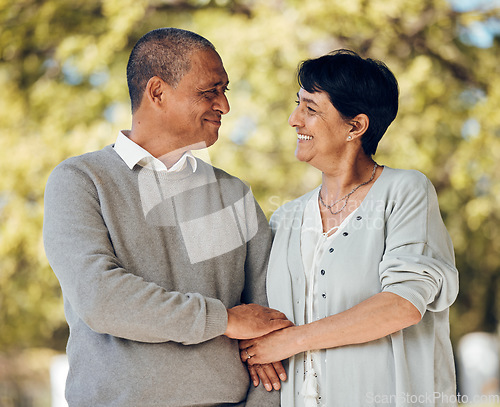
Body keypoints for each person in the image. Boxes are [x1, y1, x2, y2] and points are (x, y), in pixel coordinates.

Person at [43, 27, 292, 407]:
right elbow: (101, 299)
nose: (224, 106)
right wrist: (224, 320)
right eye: (210, 91)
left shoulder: (232, 193)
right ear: (157, 92)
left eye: (225, 91)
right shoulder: (80, 180)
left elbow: (270, 323)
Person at [239, 50, 459, 406]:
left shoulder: (405, 191)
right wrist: (255, 348)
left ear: (355, 126)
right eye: (299, 105)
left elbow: (402, 305)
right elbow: (263, 319)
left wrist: (292, 341)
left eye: (311, 109)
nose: (295, 119)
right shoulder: (286, 217)